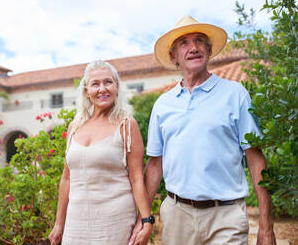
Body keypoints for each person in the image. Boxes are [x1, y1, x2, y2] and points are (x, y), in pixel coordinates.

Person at [130, 16, 276, 245]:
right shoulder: (163, 104)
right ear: (174, 56)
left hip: (226, 216)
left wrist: (266, 228)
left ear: (208, 51)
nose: (194, 47)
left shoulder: (235, 94)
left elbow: (256, 158)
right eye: (184, 43)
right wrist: (144, 218)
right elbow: (154, 164)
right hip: (177, 216)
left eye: (199, 41)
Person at [48, 60, 153, 245]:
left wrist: (146, 221)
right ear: (86, 91)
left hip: (114, 221)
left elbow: (136, 178)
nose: (102, 89)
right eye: (95, 84)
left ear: (117, 87)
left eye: (108, 82)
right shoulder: (74, 127)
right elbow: (66, 179)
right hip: (76, 223)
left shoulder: (127, 125)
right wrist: (59, 224)